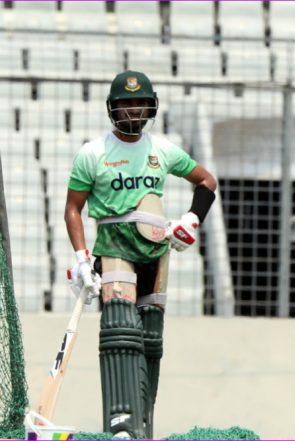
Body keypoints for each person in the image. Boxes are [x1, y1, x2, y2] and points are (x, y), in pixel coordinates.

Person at [64, 70, 217, 438]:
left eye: (139, 103)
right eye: (126, 103)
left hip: (157, 247)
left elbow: (207, 181)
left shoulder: (162, 149)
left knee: (150, 338)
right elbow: (73, 208)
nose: (133, 110)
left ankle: (144, 425)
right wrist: (83, 258)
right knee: (120, 329)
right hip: (114, 243)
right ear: (113, 108)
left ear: (150, 106)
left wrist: (192, 220)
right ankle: (121, 424)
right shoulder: (93, 153)